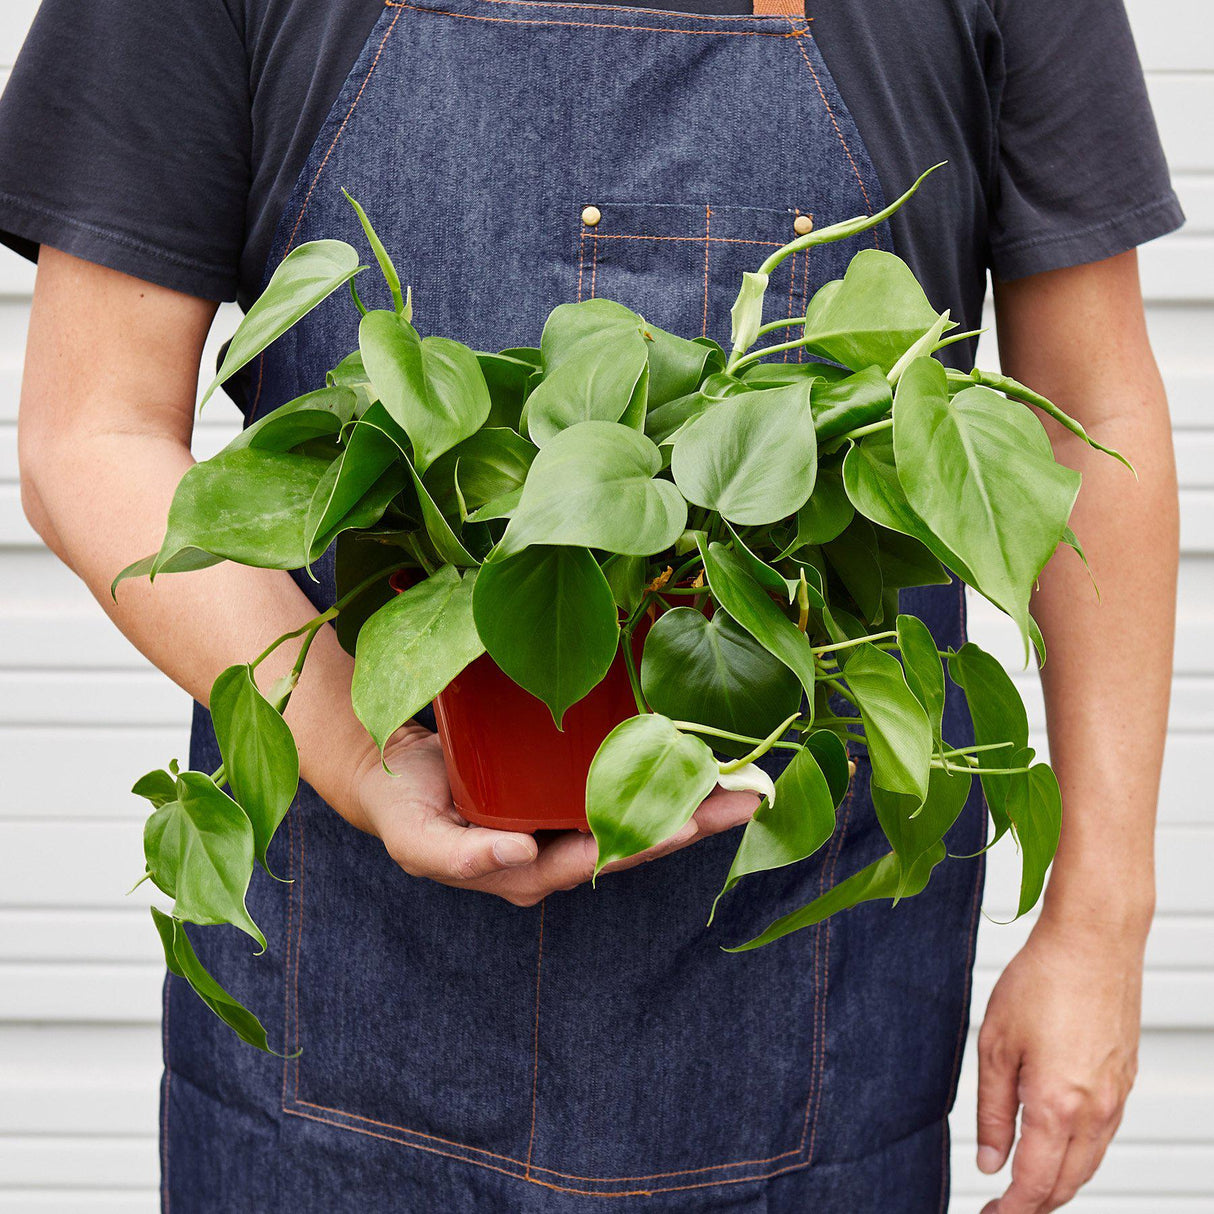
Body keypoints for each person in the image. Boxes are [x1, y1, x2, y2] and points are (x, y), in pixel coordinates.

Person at [2, 0, 1179, 1209]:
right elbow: (89, 430)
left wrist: (1098, 918)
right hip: (343, 1008)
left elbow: (1089, 420)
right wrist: (363, 757)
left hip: (794, 1019)